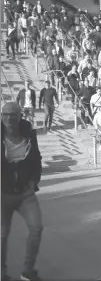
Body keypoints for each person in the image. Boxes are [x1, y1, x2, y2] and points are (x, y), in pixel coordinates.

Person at [1, 102, 43, 281]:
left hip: (25, 193)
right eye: (5, 114)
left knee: (36, 227)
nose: (9, 118)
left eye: (13, 114)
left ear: (20, 116)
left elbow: (37, 159)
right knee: (2, 235)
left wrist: (34, 181)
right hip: (3, 194)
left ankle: (27, 271)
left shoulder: (29, 134)